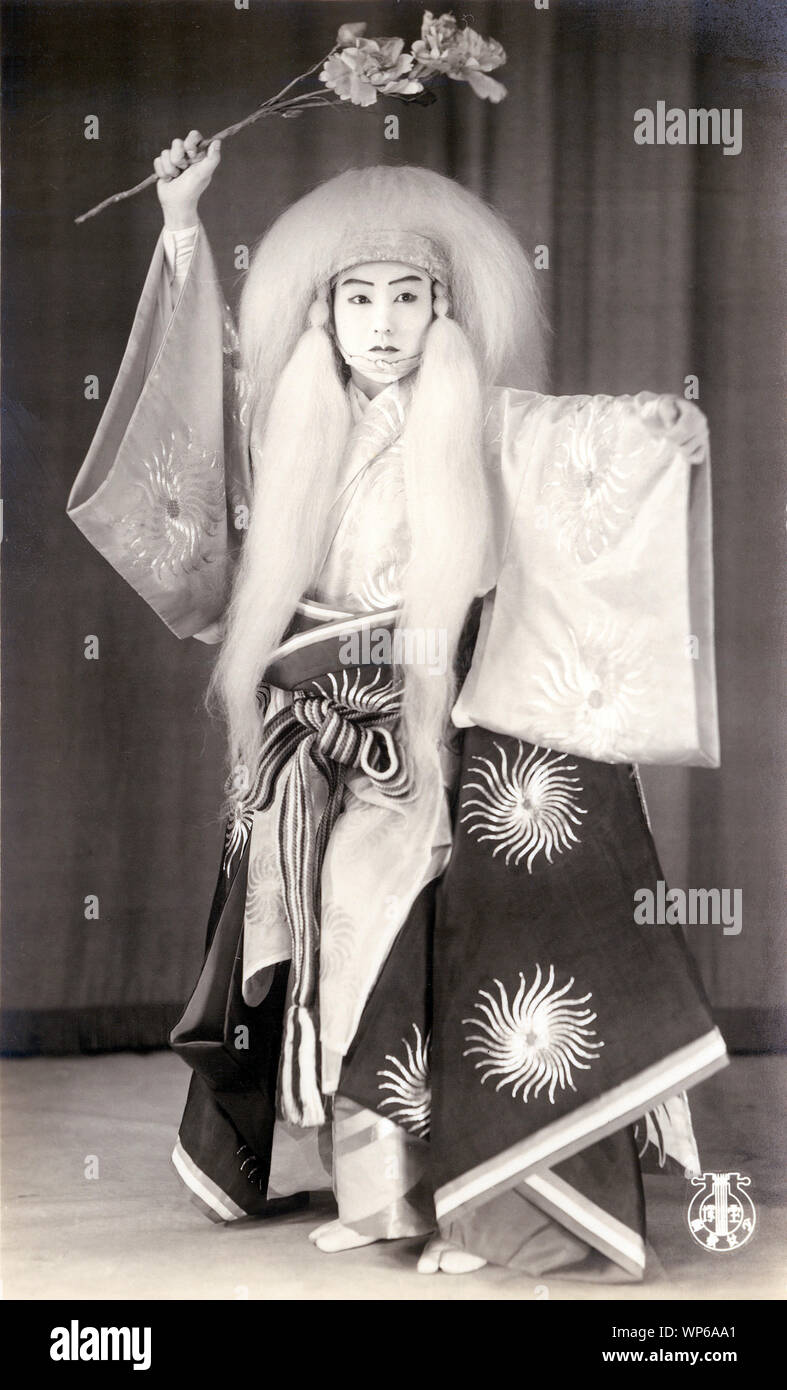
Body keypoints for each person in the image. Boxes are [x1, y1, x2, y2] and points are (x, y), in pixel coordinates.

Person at [68, 132, 726, 1279]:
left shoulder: (481, 420)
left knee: (443, 955)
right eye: (358, 298)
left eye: (407, 297)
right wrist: (179, 228)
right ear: (322, 315)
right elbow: (185, 423)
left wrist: (660, 433)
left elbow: (580, 445)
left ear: (442, 309)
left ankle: (469, 1206)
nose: (382, 322)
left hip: (450, 724)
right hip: (322, 739)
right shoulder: (283, 426)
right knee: (338, 956)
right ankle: (379, 1202)